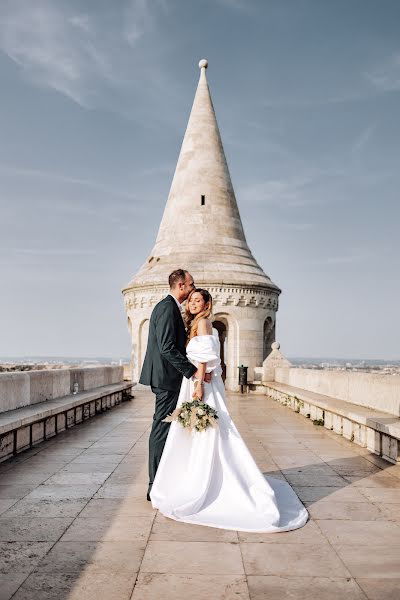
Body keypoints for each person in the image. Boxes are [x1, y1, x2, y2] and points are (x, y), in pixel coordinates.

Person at [149, 288, 309, 532]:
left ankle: (207, 479)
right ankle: (199, 474)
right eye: (191, 300)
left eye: (197, 300)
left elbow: (203, 358)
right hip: (194, 381)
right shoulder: (198, 323)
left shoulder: (203, 323)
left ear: (206, 303)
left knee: (207, 430)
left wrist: (199, 385)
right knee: (200, 429)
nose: (193, 303)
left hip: (198, 383)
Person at [139, 269, 211, 501]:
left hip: (164, 377)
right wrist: (193, 374)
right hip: (166, 379)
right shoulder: (168, 308)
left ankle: (161, 480)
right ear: (181, 285)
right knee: (161, 428)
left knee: (165, 427)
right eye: (191, 285)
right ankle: (154, 485)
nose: (192, 289)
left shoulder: (166, 307)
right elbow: (167, 347)